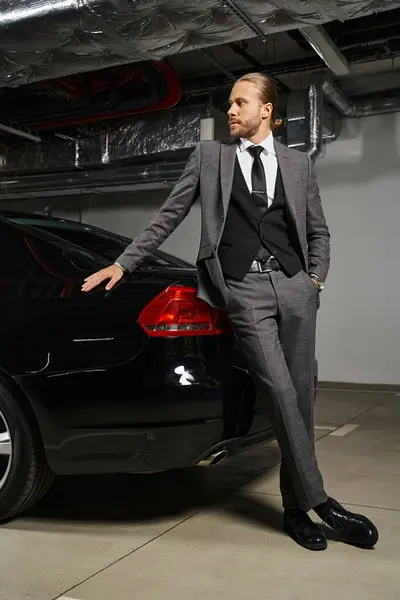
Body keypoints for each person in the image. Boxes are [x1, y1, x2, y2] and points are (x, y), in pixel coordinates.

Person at [82, 72, 379, 551]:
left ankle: (292, 510)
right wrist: (123, 263)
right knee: (280, 392)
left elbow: (318, 232)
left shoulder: (299, 164)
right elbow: (168, 215)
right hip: (244, 289)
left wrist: (314, 281)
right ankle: (323, 503)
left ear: (266, 110)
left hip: (296, 289)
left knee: (300, 401)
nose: (231, 112)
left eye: (240, 103)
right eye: (229, 104)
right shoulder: (210, 157)